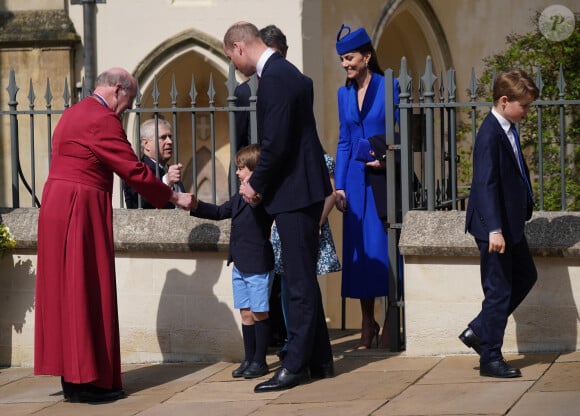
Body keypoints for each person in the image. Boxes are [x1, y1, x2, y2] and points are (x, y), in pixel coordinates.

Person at [34, 67, 192, 403]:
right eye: (129, 100)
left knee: (66, 293)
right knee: (86, 289)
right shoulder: (101, 119)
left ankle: (74, 381)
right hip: (81, 205)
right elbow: (132, 168)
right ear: (118, 89)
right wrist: (173, 195)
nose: (127, 109)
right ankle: (87, 382)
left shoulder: (72, 113)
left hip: (56, 205)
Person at [223, 21, 334, 393]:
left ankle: (296, 365)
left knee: (300, 283)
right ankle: (319, 359)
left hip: (294, 191)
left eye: (232, 58)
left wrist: (255, 182)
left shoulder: (274, 79)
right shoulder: (288, 74)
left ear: (240, 47)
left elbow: (275, 143)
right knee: (303, 279)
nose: (235, 66)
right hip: (300, 188)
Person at [461, 69, 539, 378]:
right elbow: (485, 184)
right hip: (495, 228)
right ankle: (490, 358)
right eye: (525, 105)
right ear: (505, 101)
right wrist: (494, 229)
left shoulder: (508, 126)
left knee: (525, 277)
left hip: (511, 225)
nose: (527, 111)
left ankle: (478, 331)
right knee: (498, 291)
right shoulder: (489, 133)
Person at [334, 24, 400, 349]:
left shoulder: (391, 85)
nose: (346, 65)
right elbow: (344, 140)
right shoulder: (342, 94)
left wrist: (387, 159)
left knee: (382, 250)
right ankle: (366, 321)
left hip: (382, 180)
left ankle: (390, 320)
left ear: (367, 56)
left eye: (349, 58)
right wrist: (340, 186)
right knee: (358, 254)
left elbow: (404, 131)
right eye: (343, 60)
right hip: (355, 186)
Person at [190, 144, 274, 380]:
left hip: (257, 263)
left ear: (254, 170)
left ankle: (260, 360)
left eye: (241, 169)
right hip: (239, 263)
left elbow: (259, 206)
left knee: (259, 312)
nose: (237, 173)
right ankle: (249, 359)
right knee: (246, 313)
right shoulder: (238, 197)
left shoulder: (260, 196)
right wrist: (195, 205)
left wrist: (254, 193)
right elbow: (219, 212)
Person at [233, 25, 289, 348]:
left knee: (280, 267)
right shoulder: (244, 93)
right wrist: (246, 182)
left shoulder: (286, 81)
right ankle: (265, 343)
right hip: (255, 183)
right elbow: (241, 145)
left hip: (282, 188)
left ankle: (281, 333)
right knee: (260, 273)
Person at [271, 150, 341, 360]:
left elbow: (331, 193)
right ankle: (292, 338)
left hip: (311, 223)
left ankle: (302, 339)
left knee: (303, 281)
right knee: (285, 282)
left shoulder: (322, 159)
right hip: (284, 225)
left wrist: (317, 223)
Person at [124, 118, 185, 209]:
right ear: (146, 144)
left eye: (170, 137)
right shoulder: (136, 171)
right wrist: (166, 182)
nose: (170, 141)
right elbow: (139, 205)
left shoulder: (169, 169)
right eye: (163, 137)